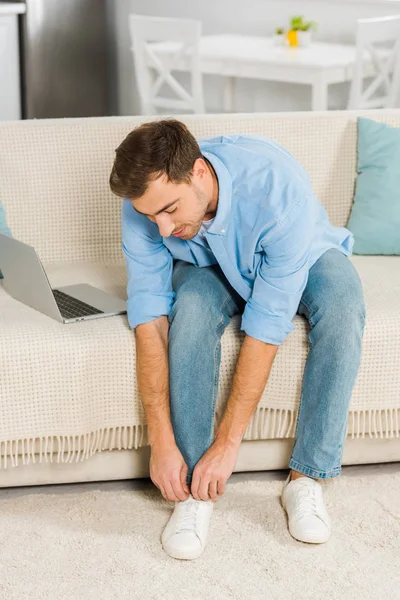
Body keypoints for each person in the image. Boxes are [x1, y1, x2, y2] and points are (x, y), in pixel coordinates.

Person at [109, 119, 366, 561]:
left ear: (200, 174)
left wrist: (228, 446)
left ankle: (307, 480)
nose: (163, 229)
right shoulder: (144, 208)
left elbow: (266, 328)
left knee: (344, 307)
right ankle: (192, 489)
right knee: (187, 313)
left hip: (299, 253)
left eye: (170, 210)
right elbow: (150, 320)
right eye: (152, 216)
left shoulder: (276, 189)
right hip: (209, 264)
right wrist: (162, 442)